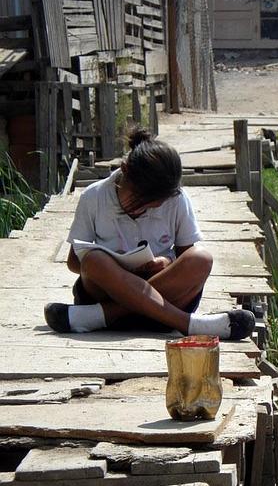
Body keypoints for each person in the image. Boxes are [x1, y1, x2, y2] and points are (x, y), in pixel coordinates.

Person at [44, 127, 255, 340]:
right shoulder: (94, 197)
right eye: (138, 203)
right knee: (93, 260)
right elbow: (74, 262)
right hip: (110, 292)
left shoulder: (177, 199)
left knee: (201, 258)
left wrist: (167, 263)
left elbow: (186, 256)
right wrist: (117, 270)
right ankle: (188, 324)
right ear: (124, 171)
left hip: (159, 294)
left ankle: (101, 316)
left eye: (153, 206)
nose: (142, 211)